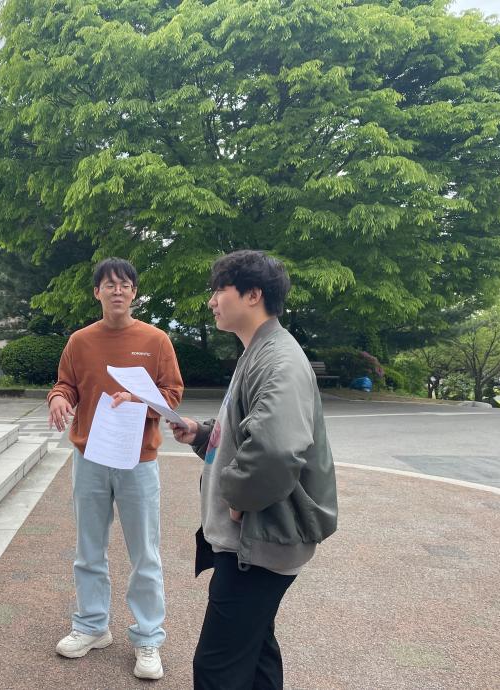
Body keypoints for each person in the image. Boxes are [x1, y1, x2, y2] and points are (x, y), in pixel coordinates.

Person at [168, 250, 338, 690]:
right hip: (259, 541)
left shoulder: (278, 360)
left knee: (217, 668)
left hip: (257, 545)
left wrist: (238, 498)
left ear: (253, 294)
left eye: (219, 290)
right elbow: (250, 430)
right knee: (256, 650)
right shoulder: (262, 350)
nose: (212, 301)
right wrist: (203, 434)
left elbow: (276, 450)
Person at [48, 257, 184, 681]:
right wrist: (59, 398)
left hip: (138, 458)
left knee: (145, 552)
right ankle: (92, 626)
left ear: (134, 292)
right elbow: (66, 383)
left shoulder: (156, 340)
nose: (118, 290)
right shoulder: (80, 341)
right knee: (88, 548)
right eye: (109, 284)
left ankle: (148, 637)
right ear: (97, 292)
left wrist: (140, 400)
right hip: (90, 456)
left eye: (125, 284)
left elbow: (172, 393)